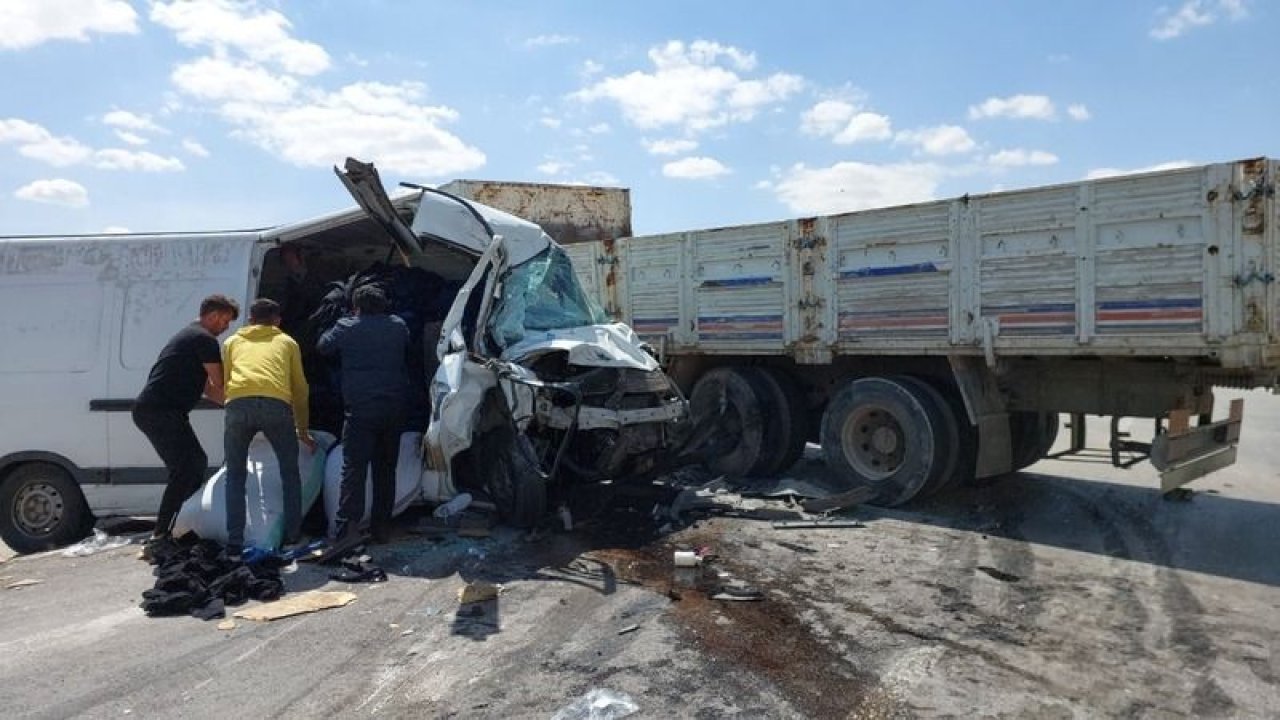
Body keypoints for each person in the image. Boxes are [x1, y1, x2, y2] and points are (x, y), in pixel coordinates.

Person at [133, 295, 240, 556]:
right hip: (160, 411)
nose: (226, 327)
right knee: (186, 468)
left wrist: (234, 406)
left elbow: (208, 390)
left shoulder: (190, 337)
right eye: (225, 321)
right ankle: (161, 537)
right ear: (213, 315)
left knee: (194, 464)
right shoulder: (204, 340)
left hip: (157, 411)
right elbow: (220, 382)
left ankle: (181, 526)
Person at [221, 298, 315, 557]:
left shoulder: (231, 343)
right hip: (276, 406)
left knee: (236, 475)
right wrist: (303, 430)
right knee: (289, 472)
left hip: (238, 404)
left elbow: (228, 382)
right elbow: (300, 389)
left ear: (250, 320)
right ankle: (293, 537)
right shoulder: (287, 342)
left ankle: (233, 543)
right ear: (278, 320)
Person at [317, 285, 410, 545]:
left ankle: (348, 529)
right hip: (393, 408)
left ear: (356, 307)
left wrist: (342, 320)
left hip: (360, 410)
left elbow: (323, 347)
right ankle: (382, 529)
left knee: (354, 469)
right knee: (385, 469)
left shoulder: (347, 327)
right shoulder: (398, 325)